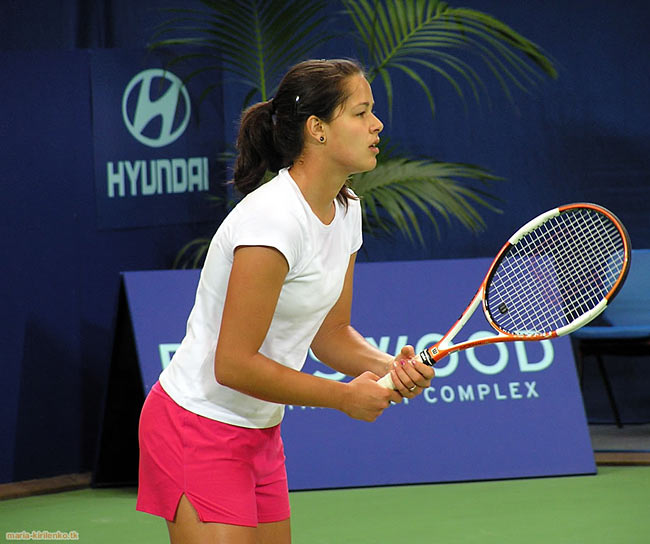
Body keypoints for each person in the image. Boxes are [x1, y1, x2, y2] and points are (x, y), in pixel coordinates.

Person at [136, 58, 435, 544]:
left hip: (259, 431)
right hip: (196, 424)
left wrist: (387, 367)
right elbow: (232, 365)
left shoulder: (346, 209)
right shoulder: (271, 222)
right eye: (360, 113)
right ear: (317, 129)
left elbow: (331, 334)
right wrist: (343, 397)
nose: (377, 125)